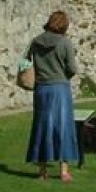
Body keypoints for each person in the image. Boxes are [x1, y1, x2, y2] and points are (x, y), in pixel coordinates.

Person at [25, 10, 80, 182]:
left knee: (41, 127)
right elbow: (72, 68)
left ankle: (42, 171)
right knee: (63, 127)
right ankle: (64, 171)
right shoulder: (65, 43)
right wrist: (63, 75)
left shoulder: (36, 42)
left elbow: (27, 62)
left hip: (42, 89)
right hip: (60, 89)